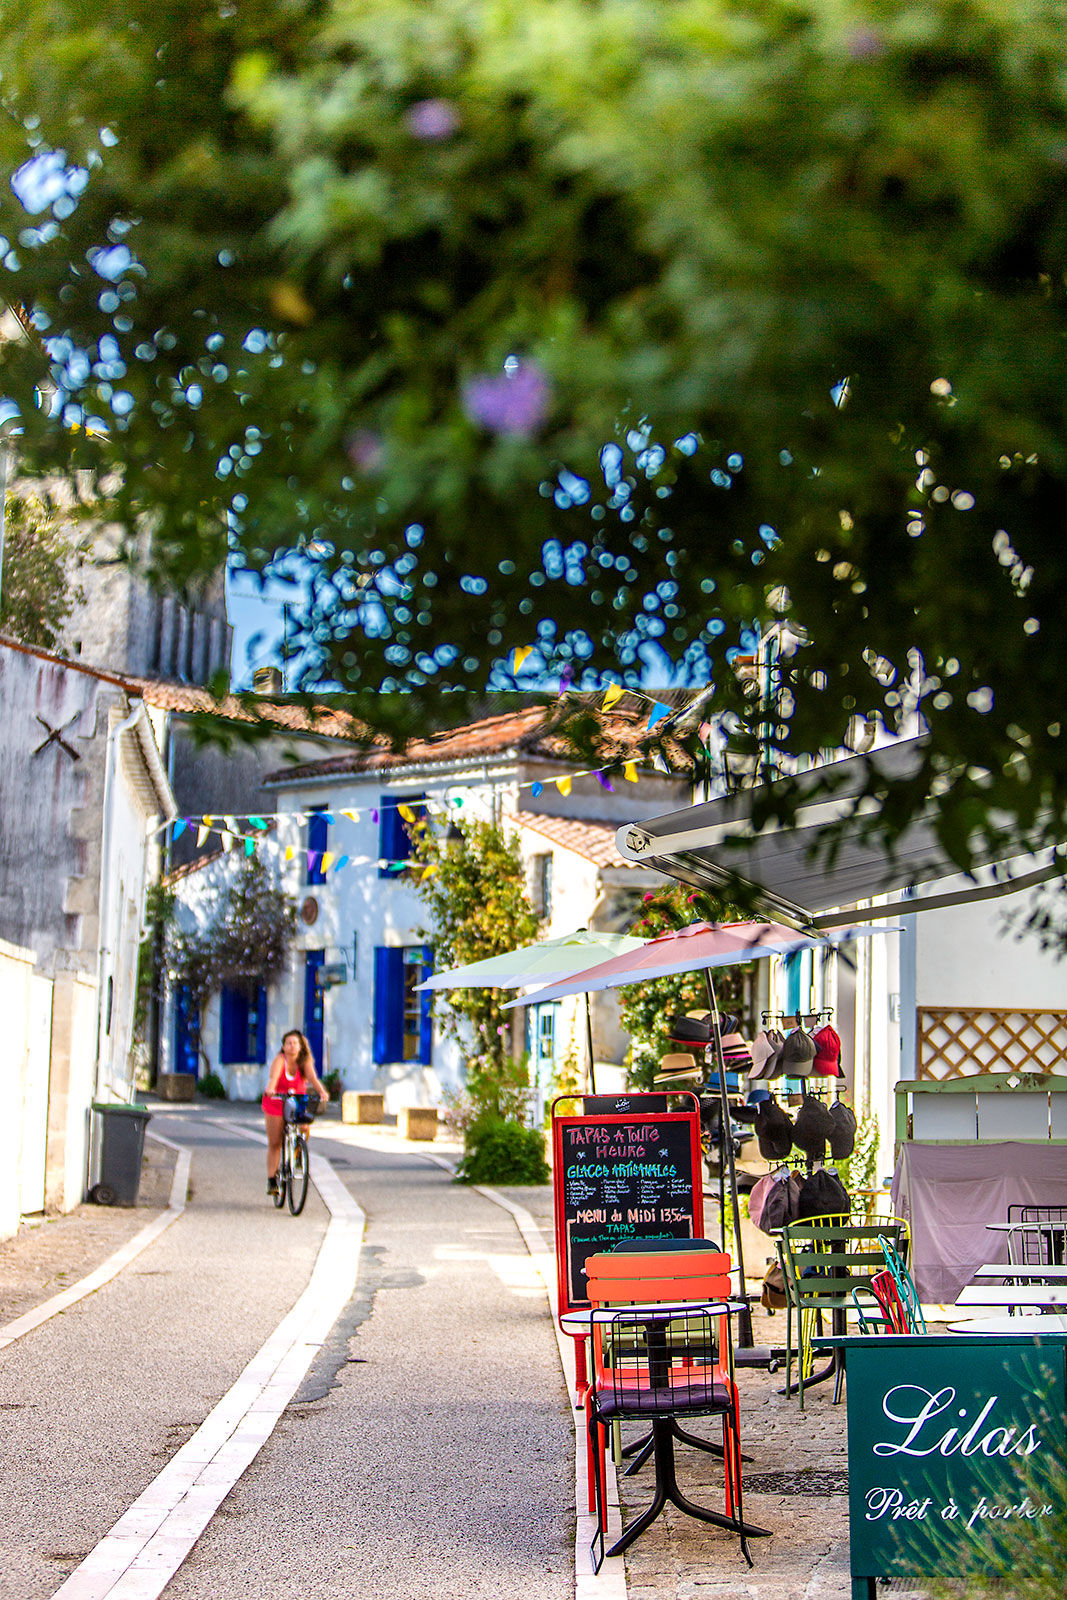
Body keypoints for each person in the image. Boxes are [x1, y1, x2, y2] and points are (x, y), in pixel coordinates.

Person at [262, 1030, 330, 1195]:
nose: (292, 1047)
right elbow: (274, 1078)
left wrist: (322, 1092)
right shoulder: (280, 1060)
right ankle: (272, 1180)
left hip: (297, 1100)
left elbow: (313, 1079)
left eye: (295, 1043)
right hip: (277, 1100)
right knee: (275, 1142)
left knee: (305, 1127)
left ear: (300, 1047)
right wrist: (271, 1089)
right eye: (288, 1043)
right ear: (283, 1047)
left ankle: (297, 1152)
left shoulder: (304, 1061)